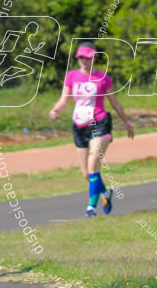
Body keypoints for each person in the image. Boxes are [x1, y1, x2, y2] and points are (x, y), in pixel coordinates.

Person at [49, 42, 134, 216]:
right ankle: (106, 192)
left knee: (92, 164)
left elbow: (114, 102)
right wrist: (56, 110)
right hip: (79, 126)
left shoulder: (103, 78)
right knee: (87, 174)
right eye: (81, 58)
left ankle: (91, 208)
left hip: (100, 123)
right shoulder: (71, 76)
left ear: (94, 57)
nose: (83, 61)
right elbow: (64, 99)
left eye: (87, 58)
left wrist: (126, 122)